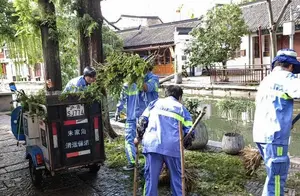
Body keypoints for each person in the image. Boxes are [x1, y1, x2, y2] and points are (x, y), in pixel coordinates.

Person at [253, 48, 300, 196]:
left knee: (272, 175)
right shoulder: (288, 78)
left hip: (260, 135)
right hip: (276, 137)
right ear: (291, 66)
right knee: (277, 180)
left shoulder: (266, 80)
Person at [134, 85, 194, 196]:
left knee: (151, 179)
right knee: (177, 179)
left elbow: (142, 122)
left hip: (152, 145)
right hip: (172, 147)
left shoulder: (154, 104)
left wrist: (138, 137)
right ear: (180, 97)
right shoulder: (181, 108)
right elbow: (189, 132)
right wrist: (185, 145)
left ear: (165, 94)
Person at [115, 82, 139, 171]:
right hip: (145, 117)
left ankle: (132, 162)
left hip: (131, 117)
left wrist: (118, 111)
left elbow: (122, 100)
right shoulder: (149, 80)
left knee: (129, 140)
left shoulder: (127, 85)